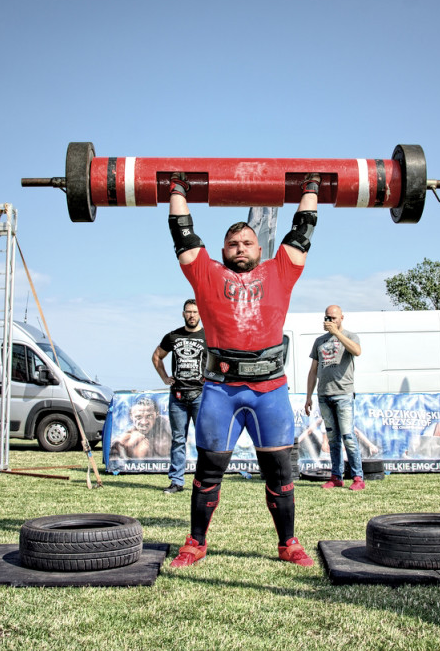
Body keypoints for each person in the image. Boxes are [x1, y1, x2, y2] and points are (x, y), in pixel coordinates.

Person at [165, 170, 320, 568]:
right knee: (207, 470)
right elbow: (183, 233)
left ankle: (288, 543)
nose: (240, 248)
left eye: (247, 242)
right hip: (220, 390)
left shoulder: (280, 270)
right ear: (222, 248)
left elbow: (302, 229)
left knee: (279, 473)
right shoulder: (206, 274)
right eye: (232, 243)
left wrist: (312, 189)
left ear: (259, 247)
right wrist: (177, 190)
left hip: (270, 390)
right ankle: (196, 542)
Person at [304, 305, 365, 490]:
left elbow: (357, 351)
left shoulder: (350, 336)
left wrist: (337, 334)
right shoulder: (319, 341)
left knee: (348, 436)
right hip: (324, 394)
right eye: (327, 318)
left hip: (343, 394)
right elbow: (313, 370)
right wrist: (309, 396)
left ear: (342, 318)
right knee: (332, 439)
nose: (330, 321)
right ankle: (336, 476)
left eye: (333, 318)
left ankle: (357, 477)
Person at [151, 299, 207, 494]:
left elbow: (220, 358)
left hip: (201, 395)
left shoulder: (208, 336)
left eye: (195, 311)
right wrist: (165, 377)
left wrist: (213, 378)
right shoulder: (173, 336)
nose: (192, 315)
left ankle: (204, 481)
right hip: (178, 397)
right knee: (178, 439)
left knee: (204, 440)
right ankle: (177, 481)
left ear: (200, 314)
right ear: (183, 314)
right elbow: (156, 356)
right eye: (188, 312)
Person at [111, 395, 171, 460]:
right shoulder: (126, 438)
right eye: (138, 417)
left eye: (149, 416)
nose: (144, 422)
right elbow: (114, 459)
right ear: (131, 416)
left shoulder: (168, 425)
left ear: (157, 414)